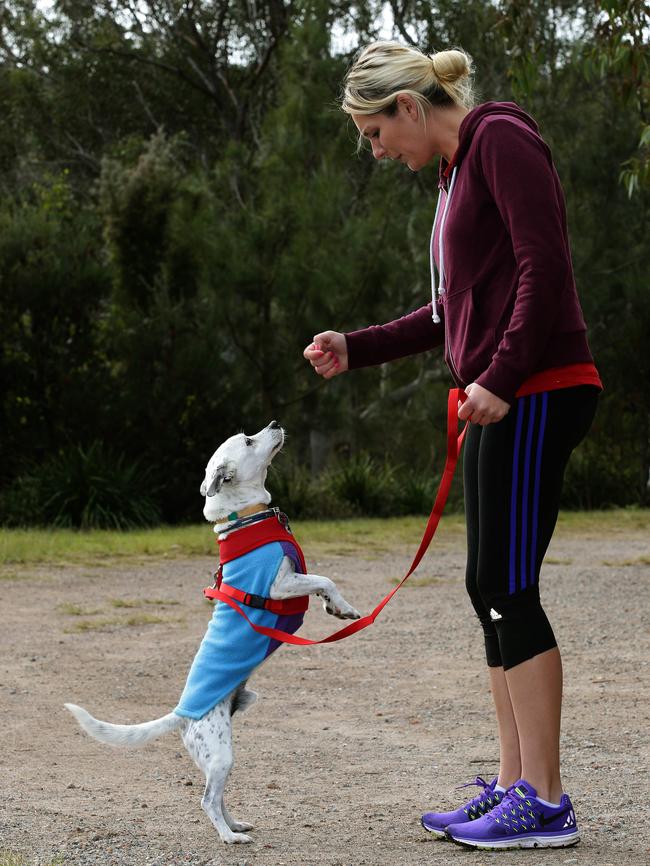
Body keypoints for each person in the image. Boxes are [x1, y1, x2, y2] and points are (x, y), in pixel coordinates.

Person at [303, 40, 602, 851]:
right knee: (487, 588)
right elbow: (448, 313)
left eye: (372, 133)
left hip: (538, 389)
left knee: (509, 583)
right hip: (498, 399)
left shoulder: (500, 136)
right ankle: (514, 786)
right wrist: (356, 345)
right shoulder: (454, 173)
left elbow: (546, 268)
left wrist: (501, 377)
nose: (375, 151)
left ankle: (545, 801)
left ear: (408, 107)